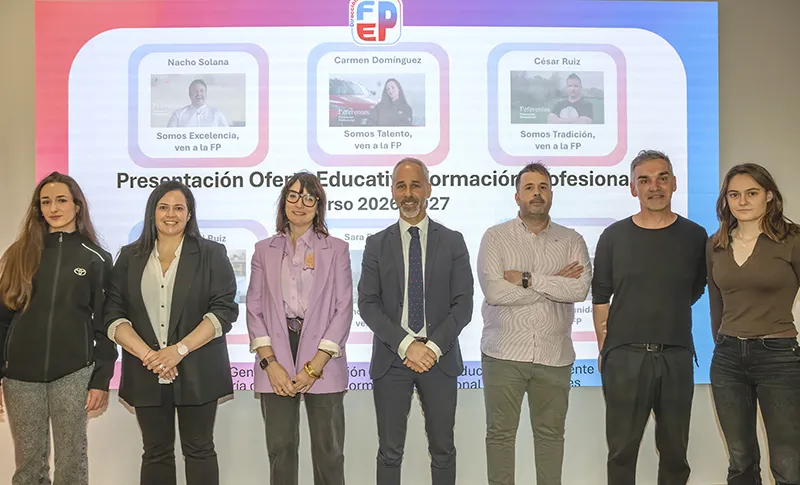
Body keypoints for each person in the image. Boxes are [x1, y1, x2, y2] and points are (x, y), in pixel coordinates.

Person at [104, 180, 238, 485]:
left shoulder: (211, 253)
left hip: (198, 369)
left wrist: (177, 351)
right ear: (152, 212)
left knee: (200, 449)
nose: (171, 214)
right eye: (163, 207)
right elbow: (113, 313)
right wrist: (149, 356)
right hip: (145, 369)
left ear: (189, 214)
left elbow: (224, 310)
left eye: (179, 208)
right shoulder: (128, 257)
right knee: (155, 452)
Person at [592, 149, 707, 485]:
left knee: (675, 454)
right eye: (644, 180)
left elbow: (696, 287)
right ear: (633, 188)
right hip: (625, 357)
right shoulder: (614, 236)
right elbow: (601, 296)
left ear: (674, 184)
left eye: (662, 178)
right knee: (621, 453)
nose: (654, 186)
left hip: (676, 356)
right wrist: (606, 349)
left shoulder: (695, 236)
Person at [358, 157, 474, 485]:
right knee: (390, 452)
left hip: (439, 359)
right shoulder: (376, 244)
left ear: (428, 189)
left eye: (415, 185)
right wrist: (408, 345)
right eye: (401, 186)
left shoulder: (452, 241)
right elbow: (368, 304)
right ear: (393, 192)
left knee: (443, 450)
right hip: (392, 358)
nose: (408, 193)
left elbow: (463, 304)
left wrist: (432, 347)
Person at [477, 162, 592, 485]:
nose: (537, 193)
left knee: (551, 438)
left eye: (543, 187)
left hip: (554, 356)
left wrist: (527, 279)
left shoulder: (571, 240)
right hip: (503, 354)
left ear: (552, 194)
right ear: (517, 197)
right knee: (499, 437)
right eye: (529, 188)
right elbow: (495, 292)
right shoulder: (495, 237)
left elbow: (579, 289)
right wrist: (553, 283)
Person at [0, 171, 116, 485]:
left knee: (71, 464)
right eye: (46, 202)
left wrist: (101, 379)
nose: (54, 208)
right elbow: (2, 319)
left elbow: (106, 324)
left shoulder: (97, 259)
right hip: (20, 378)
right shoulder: (18, 255)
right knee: (28, 467)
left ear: (77, 206)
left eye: (61, 200)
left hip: (74, 373)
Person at [246, 172, 352, 485]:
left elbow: (343, 308)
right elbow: (254, 308)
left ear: (318, 206)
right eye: (293, 195)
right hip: (276, 355)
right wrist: (270, 363)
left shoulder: (337, 249)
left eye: (309, 197)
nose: (300, 203)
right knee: (280, 449)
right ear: (284, 203)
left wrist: (316, 366)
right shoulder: (264, 249)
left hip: (323, 357)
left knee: (328, 451)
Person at [707, 163, 800, 485]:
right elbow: (715, 304)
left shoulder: (792, 239)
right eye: (734, 194)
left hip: (779, 357)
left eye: (752, 193)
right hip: (728, 359)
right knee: (741, 460)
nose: (742, 201)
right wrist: (721, 344)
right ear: (726, 200)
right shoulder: (716, 243)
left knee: (788, 463)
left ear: (769, 196)